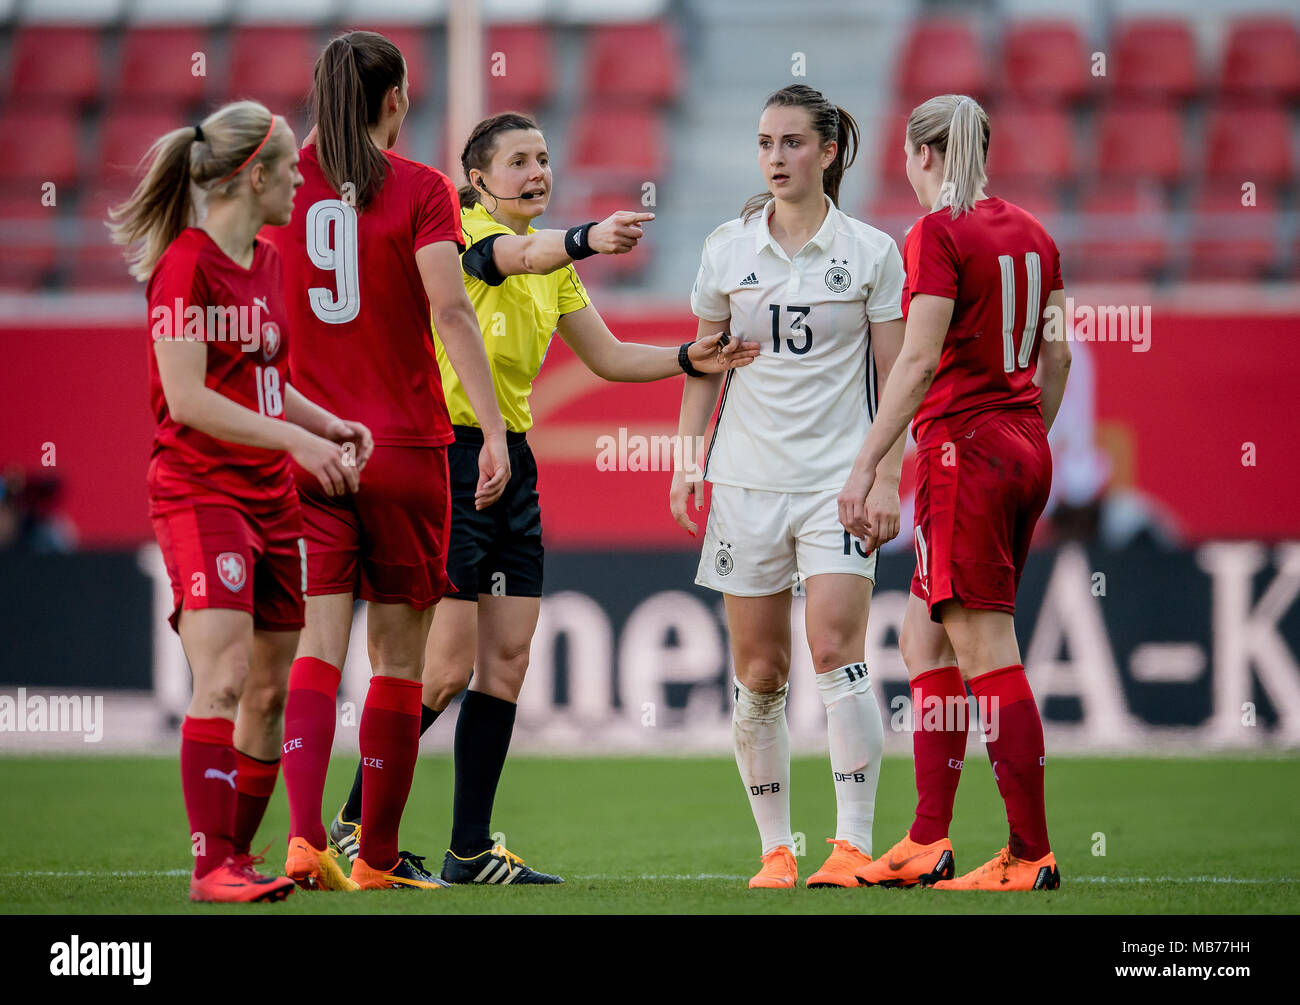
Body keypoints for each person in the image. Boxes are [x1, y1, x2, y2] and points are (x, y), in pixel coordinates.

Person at [329, 110, 759, 885]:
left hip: (512, 462)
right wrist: (591, 236)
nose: (537, 172)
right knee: (442, 668)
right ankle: (355, 825)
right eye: (519, 161)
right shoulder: (458, 234)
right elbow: (514, 254)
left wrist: (689, 357)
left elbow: (609, 356)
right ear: (479, 178)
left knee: (507, 661)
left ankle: (469, 849)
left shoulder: (551, 263)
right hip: (454, 458)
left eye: (544, 158)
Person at [109, 99, 373, 902]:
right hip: (201, 493)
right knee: (220, 680)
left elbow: (264, 382)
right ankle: (209, 864)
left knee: (268, 687)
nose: (300, 180)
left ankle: (238, 857)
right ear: (252, 173)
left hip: (268, 501)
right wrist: (296, 444)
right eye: (289, 166)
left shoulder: (268, 257)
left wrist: (323, 421)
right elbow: (187, 398)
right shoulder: (184, 266)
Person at [265, 31, 510, 892]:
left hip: (312, 444)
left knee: (317, 650)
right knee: (399, 665)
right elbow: (452, 311)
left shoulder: (279, 184)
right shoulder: (421, 189)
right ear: (396, 99)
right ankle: (375, 860)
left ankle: (301, 839)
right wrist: (489, 428)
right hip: (405, 446)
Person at [671, 84, 908, 889]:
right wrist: (685, 460)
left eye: (793, 143)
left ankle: (850, 843)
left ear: (829, 151)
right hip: (744, 483)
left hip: (836, 485)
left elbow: (899, 376)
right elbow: (702, 365)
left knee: (837, 649)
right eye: (766, 143)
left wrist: (884, 476)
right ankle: (776, 849)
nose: (776, 157)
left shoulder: (874, 252)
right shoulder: (725, 250)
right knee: (761, 672)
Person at [842, 94, 1072, 891]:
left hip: (963, 453)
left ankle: (1028, 851)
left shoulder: (936, 232)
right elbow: (1061, 356)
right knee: (921, 639)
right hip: (1021, 445)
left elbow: (914, 361)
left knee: (986, 653)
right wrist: (1027, 435)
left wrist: (868, 464)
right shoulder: (1035, 233)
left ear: (923, 153)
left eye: (907, 158)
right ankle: (927, 838)